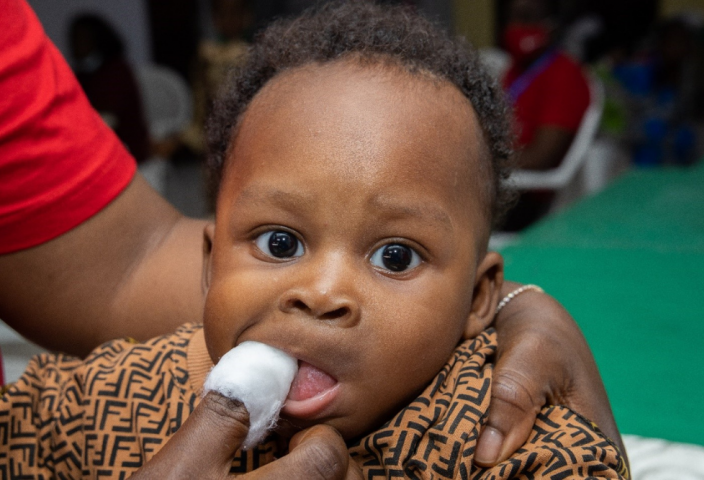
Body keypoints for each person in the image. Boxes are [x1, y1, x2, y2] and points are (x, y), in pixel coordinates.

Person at [0, 4, 627, 478]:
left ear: (478, 298)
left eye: (395, 256)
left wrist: (528, 306)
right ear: (210, 264)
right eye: (279, 242)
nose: (322, 294)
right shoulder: (101, 400)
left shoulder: (493, 437)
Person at [500, 0, 591, 231]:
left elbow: (542, 157)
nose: (517, 26)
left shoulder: (564, 74)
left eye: (527, 17)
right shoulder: (514, 70)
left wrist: (480, 164)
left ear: (549, 26)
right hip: (503, 186)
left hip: (532, 199)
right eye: (514, 17)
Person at [69, 13, 150, 163]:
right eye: (73, 39)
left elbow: (108, 117)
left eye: (80, 39)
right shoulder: (82, 74)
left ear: (96, 40)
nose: (74, 44)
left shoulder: (116, 70)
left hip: (126, 150)